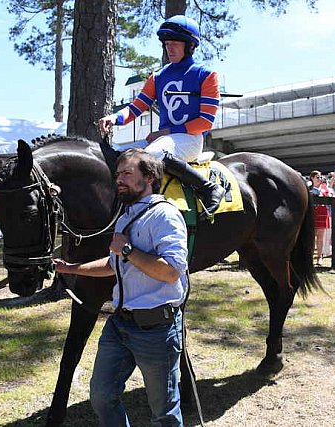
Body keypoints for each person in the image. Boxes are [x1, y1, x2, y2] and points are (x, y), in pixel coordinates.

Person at [54, 148, 188, 426]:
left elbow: (172, 272)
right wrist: (71, 269)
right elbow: (114, 264)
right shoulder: (126, 215)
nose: (119, 180)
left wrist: (127, 249)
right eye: (117, 175)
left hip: (156, 331)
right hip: (119, 325)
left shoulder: (165, 216)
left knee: (163, 413)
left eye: (127, 173)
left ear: (149, 177)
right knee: (101, 397)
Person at [98, 15, 225, 217]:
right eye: (167, 44)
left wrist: (166, 132)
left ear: (190, 45)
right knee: (120, 158)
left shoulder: (206, 75)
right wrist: (114, 118)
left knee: (150, 157)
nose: (170, 49)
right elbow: (136, 107)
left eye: (174, 44)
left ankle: (209, 188)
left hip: (190, 139)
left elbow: (205, 122)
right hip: (164, 140)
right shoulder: (158, 77)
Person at [310, 170, 331, 266]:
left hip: (323, 214)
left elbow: (328, 197)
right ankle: (309, 257)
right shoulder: (308, 188)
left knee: (321, 237)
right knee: (311, 237)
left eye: (320, 177)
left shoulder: (324, 188)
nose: (319, 179)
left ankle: (319, 257)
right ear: (312, 178)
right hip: (312, 215)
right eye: (317, 177)